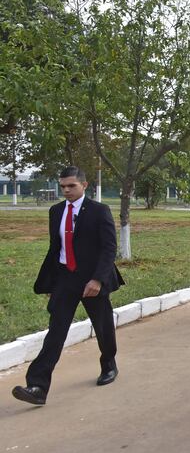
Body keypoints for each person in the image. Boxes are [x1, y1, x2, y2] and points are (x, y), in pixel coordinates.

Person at [12, 166, 124, 406]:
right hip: (65, 278)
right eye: (63, 186)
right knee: (56, 332)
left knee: (103, 327)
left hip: (92, 279)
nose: (66, 190)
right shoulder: (56, 211)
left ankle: (109, 364)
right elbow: (56, 249)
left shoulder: (99, 211)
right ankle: (38, 387)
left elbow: (109, 248)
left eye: (71, 186)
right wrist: (52, 282)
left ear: (84, 185)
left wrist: (98, 279)